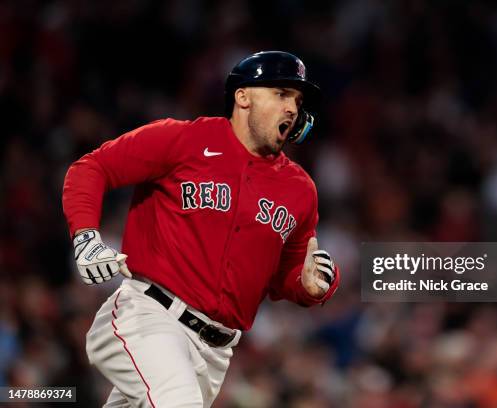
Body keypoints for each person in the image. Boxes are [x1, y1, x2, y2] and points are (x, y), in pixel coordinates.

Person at [62, 51, 340, 408]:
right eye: (282, 94)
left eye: (298, 101)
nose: (292, 108)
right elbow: (92, 168)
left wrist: (312, 285)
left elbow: (285, 276)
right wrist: (86, 235)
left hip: (215, 354)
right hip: (149, 316)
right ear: (244, 96)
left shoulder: (300, 190)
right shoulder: (183, 140)